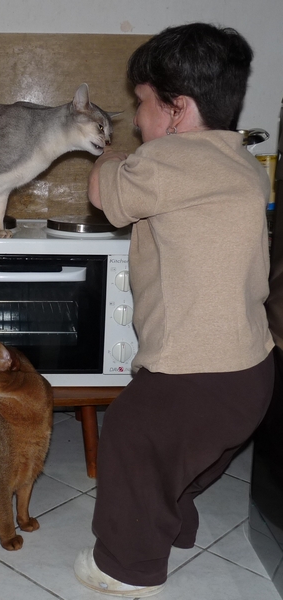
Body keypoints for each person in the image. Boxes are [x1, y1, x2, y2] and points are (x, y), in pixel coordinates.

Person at [74, 22, 275, 597]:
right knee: (179, 456)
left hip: (196, 372)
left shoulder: (170, 162)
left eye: (141, 105)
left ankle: (124, 569)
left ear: (178, 110)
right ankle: (175, 525)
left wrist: (109, 154)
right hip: (249, 373)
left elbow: (106, 197)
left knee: (133, 442)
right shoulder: (238, 159)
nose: (138, 121)